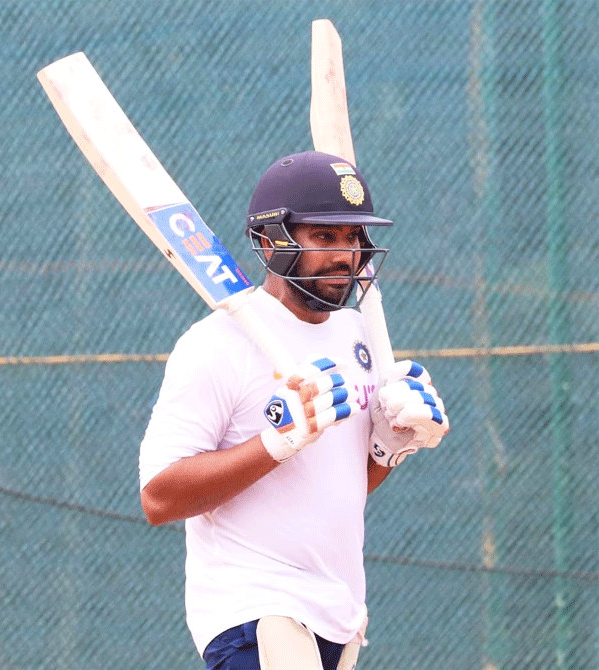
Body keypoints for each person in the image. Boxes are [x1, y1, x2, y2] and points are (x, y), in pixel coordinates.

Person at [139, 151, 449, 670]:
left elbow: (336, 484)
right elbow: (158, 497)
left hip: (338, 616)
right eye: (323, 237)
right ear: (270, 241)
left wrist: (391, 447)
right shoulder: (215, 345)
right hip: (253, 613)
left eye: (352, 238)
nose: (343, 255)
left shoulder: (359, 334)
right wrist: (276, 442)